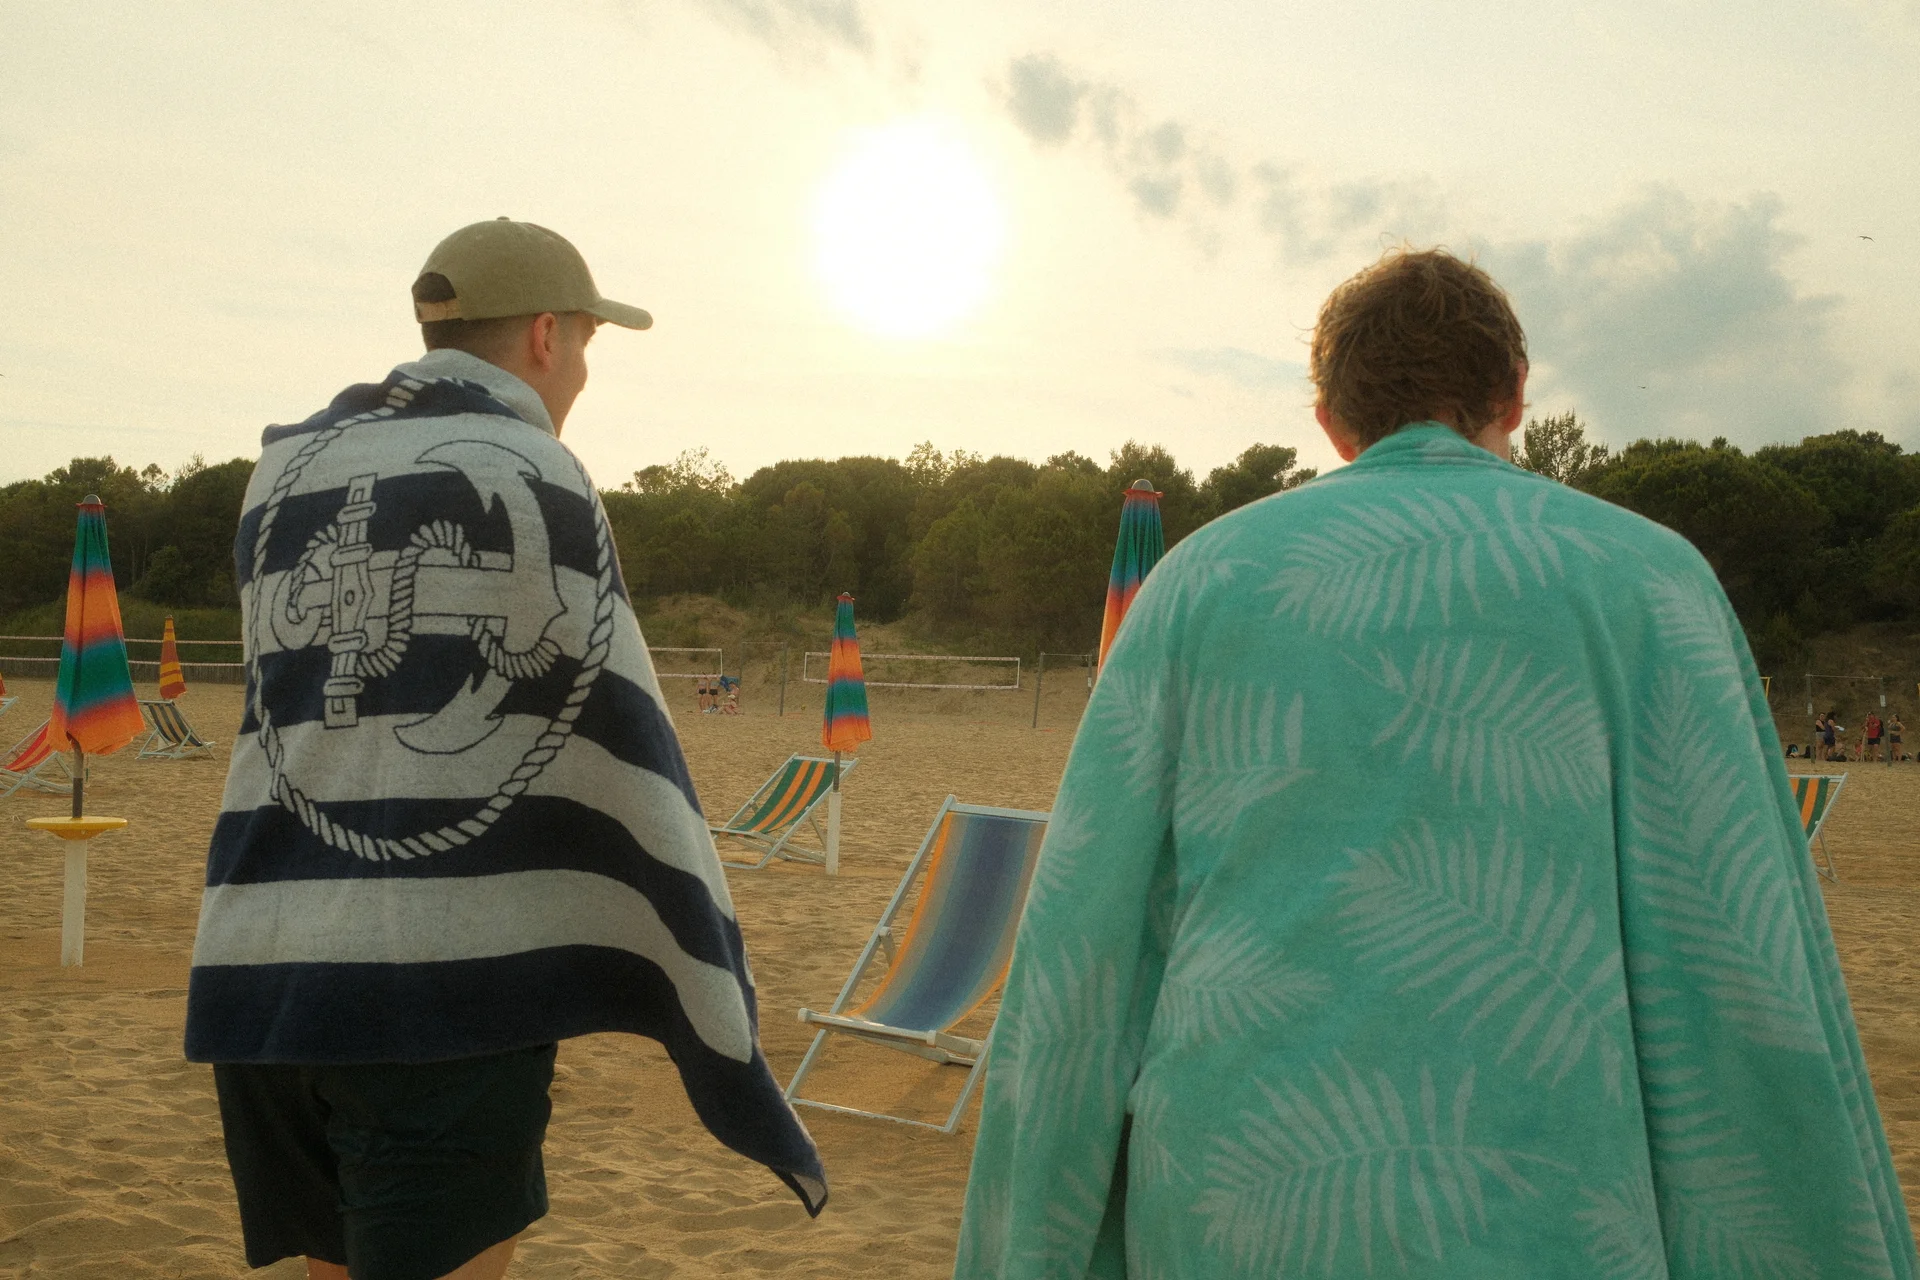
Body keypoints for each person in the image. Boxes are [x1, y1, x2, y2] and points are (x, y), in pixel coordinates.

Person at [953, 247, 1916, 1277]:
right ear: (1516, 394)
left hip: (1234, 1194)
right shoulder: (1651, 580)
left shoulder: (1198, 583)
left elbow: (1085, 943)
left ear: (1331, 421)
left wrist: (1036, 1242)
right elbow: (1737, 949)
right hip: (1544, 1201)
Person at [185, 219, 825, 1280]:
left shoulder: (279, 477)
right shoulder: (537, 469)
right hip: (435, 996)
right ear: (544, 334)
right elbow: (620, 738)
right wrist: (697, 965)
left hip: (263, 976)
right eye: (586, 343)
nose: (581, 372)